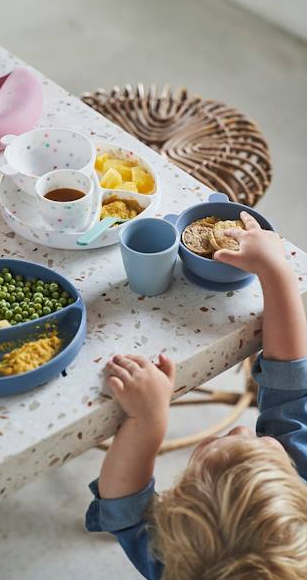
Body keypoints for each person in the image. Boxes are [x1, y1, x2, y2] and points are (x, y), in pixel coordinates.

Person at [86, 212, 307, 580]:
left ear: (169, 523)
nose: (240, 431)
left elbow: (122, 506)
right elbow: (291, 381)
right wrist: (275, 270)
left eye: (207, 453)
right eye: (267, 445)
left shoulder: (182, 561)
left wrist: (148, 420)